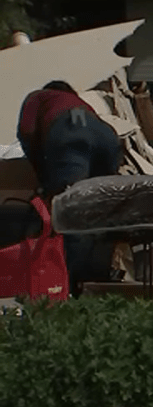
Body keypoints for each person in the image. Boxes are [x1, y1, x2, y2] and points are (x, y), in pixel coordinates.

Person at [16, 80, 124, 291]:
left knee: (69, 213)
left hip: (70, 133)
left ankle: (66, 284)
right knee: (98, 210)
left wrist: (42, 173)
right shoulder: (79, 102)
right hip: (106, 136)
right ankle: (98, 272)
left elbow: (26, 132)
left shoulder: (37, 96)